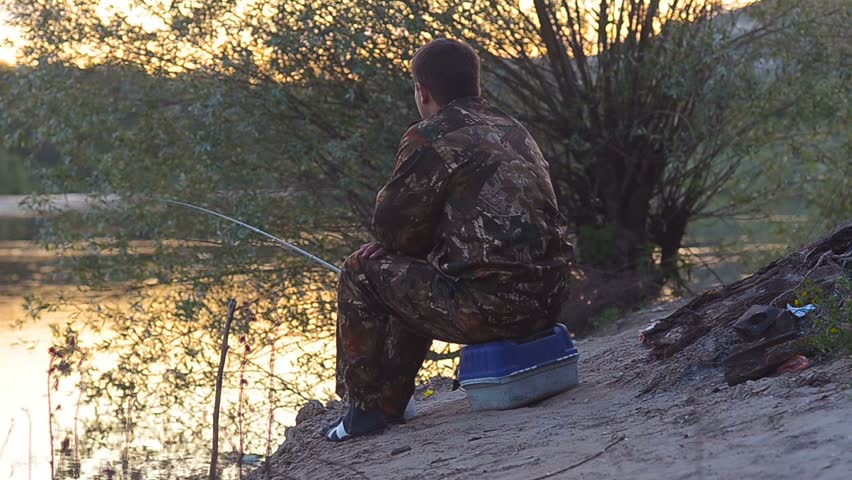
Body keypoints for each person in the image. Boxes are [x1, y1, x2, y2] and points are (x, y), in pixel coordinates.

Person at [325, 38, 574, 442]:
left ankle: (365, 410)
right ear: (476, 82)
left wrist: (403, 243)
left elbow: (390, 230)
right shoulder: (513, 129)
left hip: (494, 311)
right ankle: (389, 400)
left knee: (361, 270)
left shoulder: (431, 135)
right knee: (416, 266)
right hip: (552, 299)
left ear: (422, 91)